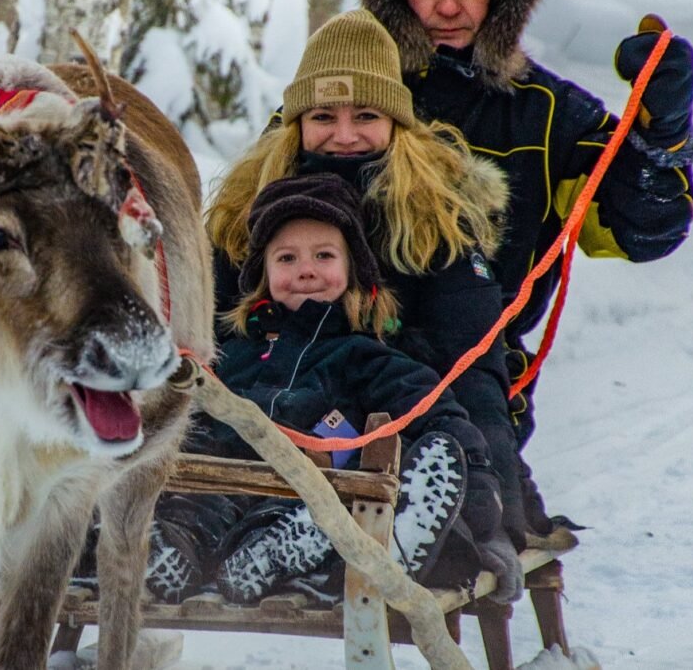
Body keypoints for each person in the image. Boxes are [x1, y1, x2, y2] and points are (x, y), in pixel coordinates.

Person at [359, 0, 693, 530]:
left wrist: (663, 134)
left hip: (479, 391)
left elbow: (641, 233)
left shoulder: (548, 113)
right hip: (331, 370)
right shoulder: (339, 98)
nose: (448, 7)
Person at [203, 9, 535, 554]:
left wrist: (494, 496)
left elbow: (472, 367)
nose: (344, 136)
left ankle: (423, 528)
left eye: (365, 115)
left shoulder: (435, 219)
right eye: (323, 117)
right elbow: (204, 339)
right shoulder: (243, 211)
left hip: (395, 436)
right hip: (262, 436)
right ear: (297, 122)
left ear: (396, 122)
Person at [163, 173, 524, 605]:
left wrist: (480, 492)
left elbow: (437, 413)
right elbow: (185, 410)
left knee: (302, 513)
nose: (306, 270)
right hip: (217, 485)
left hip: (308, 494)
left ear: (353, 271)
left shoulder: (364, 356)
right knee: (187, 511)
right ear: (263, 274)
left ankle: (289, 551)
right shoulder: (229, 355)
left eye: (323, 255)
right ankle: (163, 553)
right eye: (287, 259)